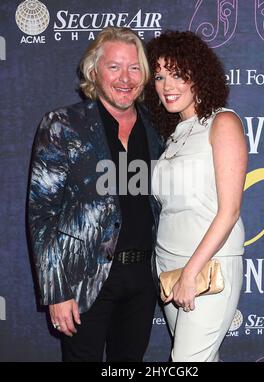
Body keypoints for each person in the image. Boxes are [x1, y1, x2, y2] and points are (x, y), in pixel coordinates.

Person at [27, 26, 163, 362]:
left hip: (142, 279)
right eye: (114, 67)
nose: (125, 78)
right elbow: (42, 214)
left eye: (134, 68)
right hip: (83, 279)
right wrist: (56, 291)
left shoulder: (157, 127)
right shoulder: (63, 124)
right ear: (94, 71)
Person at [145, 30, 248, 362]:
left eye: (177, 73)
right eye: (159, 76)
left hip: (207, 267)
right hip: (168, 268)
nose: (167, 85)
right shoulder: (175, 134)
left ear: (198, 74)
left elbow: (229, 212)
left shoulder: (223, 122)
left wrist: (191, 272)